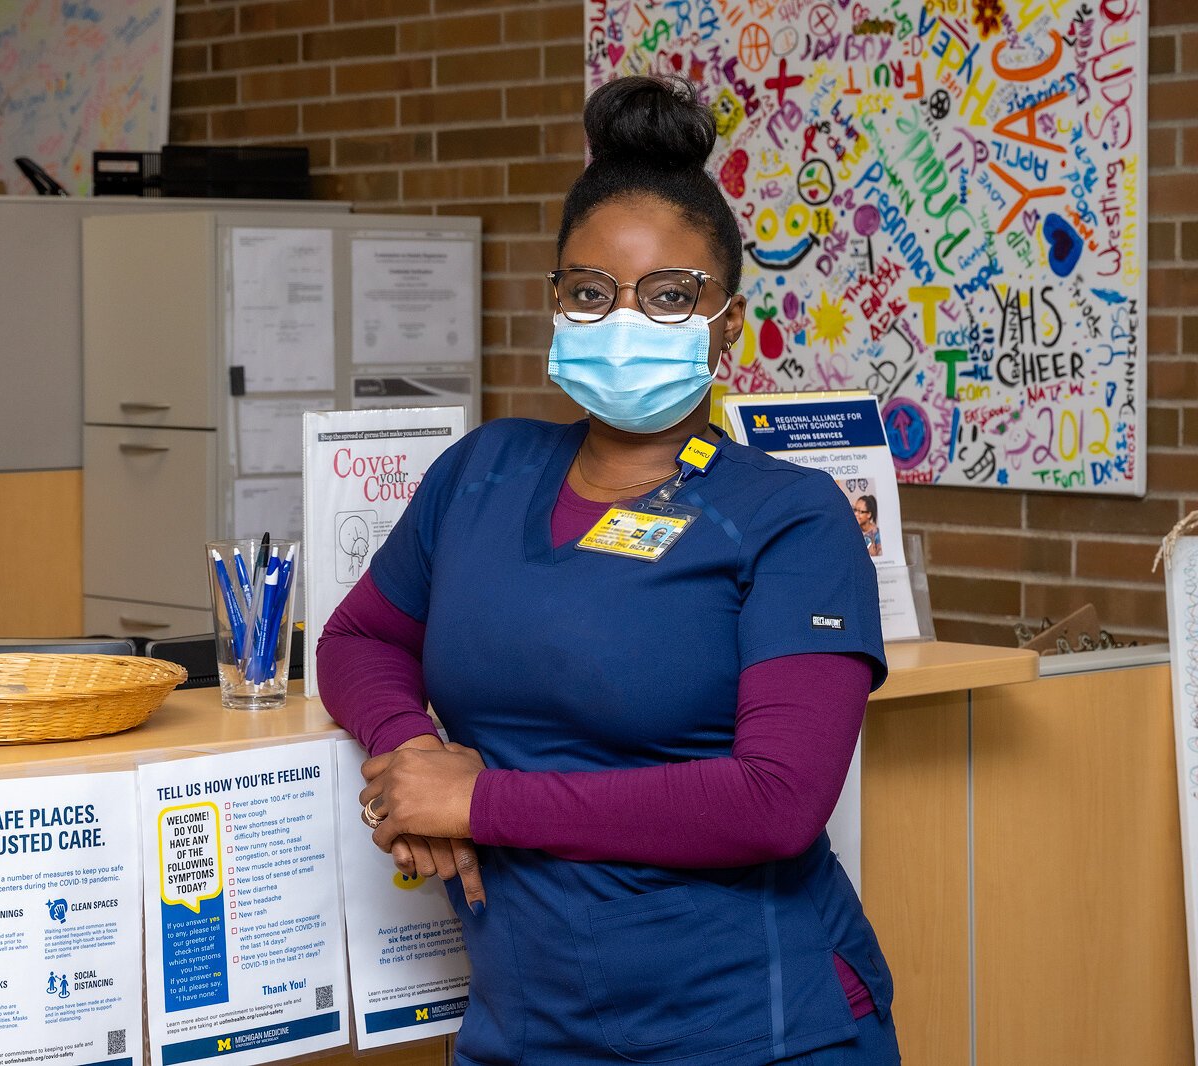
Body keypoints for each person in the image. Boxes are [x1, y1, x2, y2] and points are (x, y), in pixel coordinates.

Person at [318, 74, 899, 1065]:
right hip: (526, 1027)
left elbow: (775, 799)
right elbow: (360, 636)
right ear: (555, 305)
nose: (623, 319)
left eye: (670, 295)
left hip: (750, 1025)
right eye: (589, 292)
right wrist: (407, 753)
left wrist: (477, 802)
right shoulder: (483, 472)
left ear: (728, 322)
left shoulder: (789, 517)